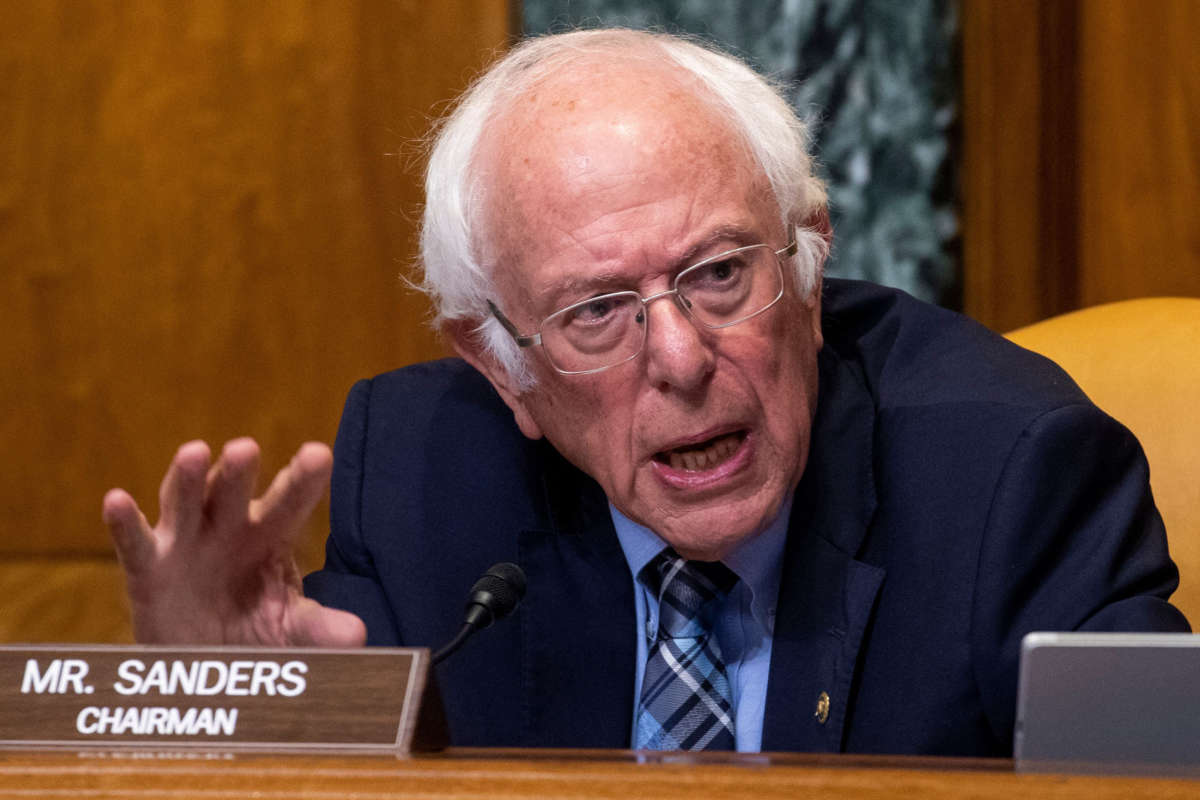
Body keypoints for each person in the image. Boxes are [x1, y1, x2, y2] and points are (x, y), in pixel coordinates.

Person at [102, 29, 1189, 755]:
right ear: (501, 366)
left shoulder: (1013, 472)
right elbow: (322, 747)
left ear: (807, 272)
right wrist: (229, 708)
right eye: (597, 311)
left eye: (720, 274)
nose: (677, 356)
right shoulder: (430, 473)